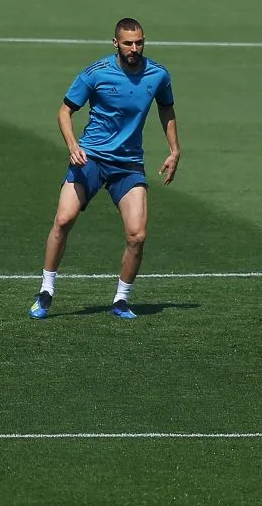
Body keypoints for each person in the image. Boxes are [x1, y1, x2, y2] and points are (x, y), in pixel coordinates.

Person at [29, 18, 181, 320]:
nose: (134, 48)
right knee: (63, 219)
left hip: (128, 165)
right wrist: (73, 146)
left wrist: (175, 149)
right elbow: (64, 111)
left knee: (137, 235)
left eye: (139, 42)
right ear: (116, 43)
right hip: (92, 158)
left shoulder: (158, 75)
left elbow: (166, 108)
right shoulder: (96, 73)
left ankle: (121, 300)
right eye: (128, 43)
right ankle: (46, 291)